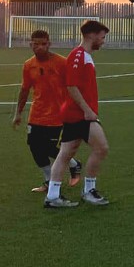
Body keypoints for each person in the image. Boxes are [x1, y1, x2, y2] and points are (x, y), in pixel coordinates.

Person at [44, 20, 112, 209]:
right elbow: (71, 86)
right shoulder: (78, 55)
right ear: (91, 35)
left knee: (66, 153)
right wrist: (87, 110)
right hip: (79, 115)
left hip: (80, 114)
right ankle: (89, 190)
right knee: (101, 148)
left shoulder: (85, 56)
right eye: (102, 37)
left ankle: (52, 196)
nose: (103, 41)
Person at [12, 30, 81, 193]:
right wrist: (18, 113)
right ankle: (50, 179)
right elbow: (24, 90)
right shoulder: (29, 65)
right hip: (36, 114)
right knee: (34, 147)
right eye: (36, 44)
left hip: (57, 114)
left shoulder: (62, 63)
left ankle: (73, 164)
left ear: (49, 44)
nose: (40, 47)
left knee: (47, 146)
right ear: (30, 45)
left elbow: (73, 86)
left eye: (43, 44)